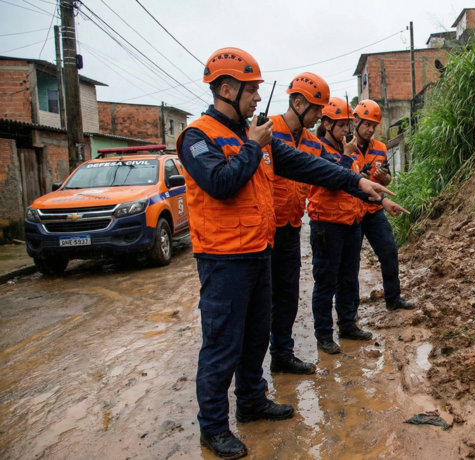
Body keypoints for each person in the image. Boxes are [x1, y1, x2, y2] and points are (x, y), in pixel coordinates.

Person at [177, 48, 392, 460]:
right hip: (223, 260)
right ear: (226, 88)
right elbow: (220, 184)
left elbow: (307, 167)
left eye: (258, 90)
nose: (258, 98)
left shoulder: (253, 136)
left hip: (260, 249)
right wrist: (253, 149)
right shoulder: (198, 136)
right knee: (223, 344)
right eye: (251, 90)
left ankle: (252, 399)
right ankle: (213, 428)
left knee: (258, 333)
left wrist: (357, 184)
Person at [309, 97, 407, 354]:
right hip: (326, 224)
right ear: (327, 124)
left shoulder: (349, 150)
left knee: (348, 277)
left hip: (350, 220)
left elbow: (355, 185)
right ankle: (324, 335)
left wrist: (383, 201)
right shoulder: (318, 150)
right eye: (342, 126)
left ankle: (347, 325)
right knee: (326, 281)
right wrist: (346, 157)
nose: (346, 131)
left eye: (346, 125)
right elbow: (333, 181)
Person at [266, 72, 329, 376]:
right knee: (260, 299)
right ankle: (249, 369)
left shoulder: (314, 145)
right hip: (262, 231)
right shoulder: (266, 131)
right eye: (316, 109)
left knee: (288, 294)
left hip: (291, 227)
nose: (319, 116)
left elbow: (333, 172)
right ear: (297, 102)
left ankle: (281, 354)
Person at [352, 100, 415, 311]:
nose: (370, 129)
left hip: (374, 210)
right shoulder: (345, 147)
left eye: (374, 126)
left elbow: (386, 181)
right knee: (350, 263)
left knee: (389, 251)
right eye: (367, 124)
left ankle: (394, 300)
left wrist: (384, 176)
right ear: (356, 121)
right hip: (352, 212)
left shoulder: (380, 148)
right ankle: (350, 312)